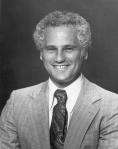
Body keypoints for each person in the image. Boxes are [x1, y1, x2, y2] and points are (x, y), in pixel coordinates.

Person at [0, 10, 118, 149]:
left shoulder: (112, 106)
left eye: (68, 48)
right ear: (41, 54)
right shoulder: (17, 102)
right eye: (51, 49)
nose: (59, 58)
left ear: (84, 52)